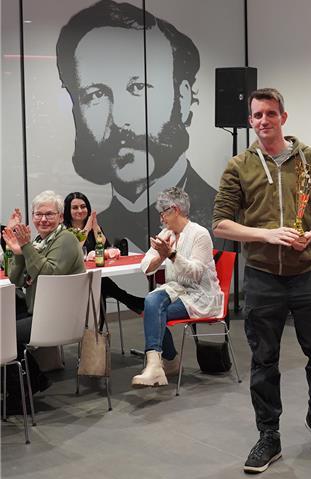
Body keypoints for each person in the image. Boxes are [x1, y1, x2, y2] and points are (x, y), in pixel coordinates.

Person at [213, 88, 311, 473]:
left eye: (270, 113)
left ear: (283, 117)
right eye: (256, 115)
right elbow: (221, 222)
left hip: (307, 274)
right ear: (250, 121)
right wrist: (266, 234)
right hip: (263, 277)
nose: (263, 121)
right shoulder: (238, 166)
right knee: (264, 360)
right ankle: (269, 435)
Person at [56, 0, 217, 251]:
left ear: (182, 98)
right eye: (96, 95)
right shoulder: (95, 229)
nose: (119, 119)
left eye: (138, 88)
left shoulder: (220, 219)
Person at [2, 191, 85, 412]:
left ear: (60, 216)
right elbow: (16, 278)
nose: (43, 219)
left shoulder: (66, 239)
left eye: (49, 214)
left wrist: (26, 247)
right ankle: (33, 381)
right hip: (39, 311)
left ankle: (21, 396)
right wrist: (18, 252)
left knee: (3, 334)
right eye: (38, 214)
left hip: (57, 317)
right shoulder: (40, 241)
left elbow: (48, 275)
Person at [134, 187, 223, 387]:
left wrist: (171, 255)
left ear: (174, 210)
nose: (161, 219)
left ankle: (168, 362)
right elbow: (146, 266)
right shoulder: (166, 234)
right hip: (176, 290)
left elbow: (195, 273)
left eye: (163, 213)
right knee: (152, 301)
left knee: (154, 312)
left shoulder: (200, 234)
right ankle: (156, 365)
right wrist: (161, 255)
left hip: (200, 295)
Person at [64, 192, 144, 317]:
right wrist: (87, 228)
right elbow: (75, 250)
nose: (80, 210)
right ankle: (133, 302)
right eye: (75, 207)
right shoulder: (64, 230)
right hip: (72, 279)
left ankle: (99, 330)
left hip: (93, 277)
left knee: (100, 283)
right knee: (101, 283)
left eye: (83, 206)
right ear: (68, 210)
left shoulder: (93, 227)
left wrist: (95, 227)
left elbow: (104, 246)